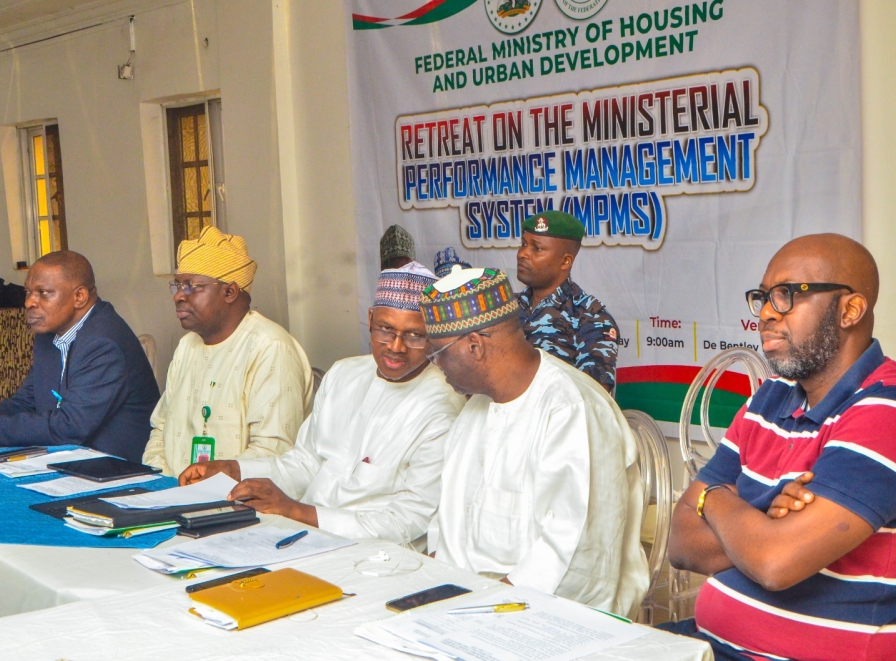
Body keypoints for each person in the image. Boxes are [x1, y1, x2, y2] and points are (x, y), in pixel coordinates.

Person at [664, 234, 896, 661]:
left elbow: (775, 564)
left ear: (849, 310)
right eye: (762, 296)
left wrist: (715, 498)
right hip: (705, 645)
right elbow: (681, 543)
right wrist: (763, 516)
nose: (765, 313)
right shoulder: (770, 399)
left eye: (786, 295)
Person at [178, 262, 465, 547]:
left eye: (414, 335)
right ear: (369, 320)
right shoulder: (344, 374)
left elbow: (408, 519)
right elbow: (305, 464)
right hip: (302, 535)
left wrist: (298, 512)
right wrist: (234, 470)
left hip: (378, 556)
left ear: (433, 334)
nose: (396, 346)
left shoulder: (443, 405)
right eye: (386, 329)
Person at [420, 266, 648, 616]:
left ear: (474, 345)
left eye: (438, 353)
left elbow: (577, 560)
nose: (436, 366)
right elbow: (446, 530)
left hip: (548, 618)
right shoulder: (474, 410)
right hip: (467, 606)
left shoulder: (571, 408)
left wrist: (474, 610)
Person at [142, 226, 313, 477]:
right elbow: (160, 430)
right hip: (175, 495)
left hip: (240, 502)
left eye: (191, 286)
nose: (178, 296)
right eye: (177, 285)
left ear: (230, 292)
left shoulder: (270, 348)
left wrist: (204, 487)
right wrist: (161, 484)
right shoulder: (188, 345)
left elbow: (273, 452)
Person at [0, 251, 159, 462]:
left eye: (43, 293)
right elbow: (26, 402)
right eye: (28, 292)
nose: (29, 302)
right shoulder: (50, 334)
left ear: (79, 297)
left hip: (116, 469)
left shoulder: (104, 343)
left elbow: (70, 426)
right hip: (68, 459)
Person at [516, 211, 620, 393]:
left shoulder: (591, 318)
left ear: (565, 261)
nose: (523, 254)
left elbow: (592, 399)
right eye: (523, 244)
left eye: (536, 248)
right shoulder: (503, 308)